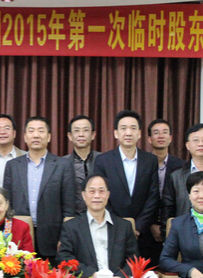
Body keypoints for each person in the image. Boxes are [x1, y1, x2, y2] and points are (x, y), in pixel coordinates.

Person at [3, 116, 75, 260]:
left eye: (41, 131)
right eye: (31, 131)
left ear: (48, 137)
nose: (36, 135)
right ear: (25, 137)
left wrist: (65, 239)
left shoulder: (63, 165)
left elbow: (69, 208)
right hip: (18, 238)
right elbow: (7, 205)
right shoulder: (12, 166)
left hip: (52, 238)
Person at [93, 110, 159, 250]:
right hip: (111, 229)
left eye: (133, 128)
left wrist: (139, 226)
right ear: (116, 133)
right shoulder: (103, 161)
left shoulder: (150, 160)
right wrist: (119, 224)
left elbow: (153, 196)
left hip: (143, 233)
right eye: (123, 128)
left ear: (139, 133)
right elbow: (100, 196)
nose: (128, 133)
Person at [57, 174, 139, 278]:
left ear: (108, 195)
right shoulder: (71, 227)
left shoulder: (124, 226)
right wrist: (92, 274)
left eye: (101, 191)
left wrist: (119, 277)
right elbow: (64, 258)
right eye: (92, 191)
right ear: (83, 195)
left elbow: (134, 260)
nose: (97, 196)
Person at [145, 119, 185, 266]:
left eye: (165, 132)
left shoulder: (181, 166)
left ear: (171, 138)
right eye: (156, 133)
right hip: (145, 227)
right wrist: (151, 224)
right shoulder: (142, 163)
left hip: (174, 227)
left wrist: (166, 226)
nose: (161, 136)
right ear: (149, 139)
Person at [63, 115, 101, 216]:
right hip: (72, 218)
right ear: (70, 136)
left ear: (93, 135)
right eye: (76, 130)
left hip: (100, 217)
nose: (81, 134)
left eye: (85, 130)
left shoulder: (104, 160)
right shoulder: (62, 163)